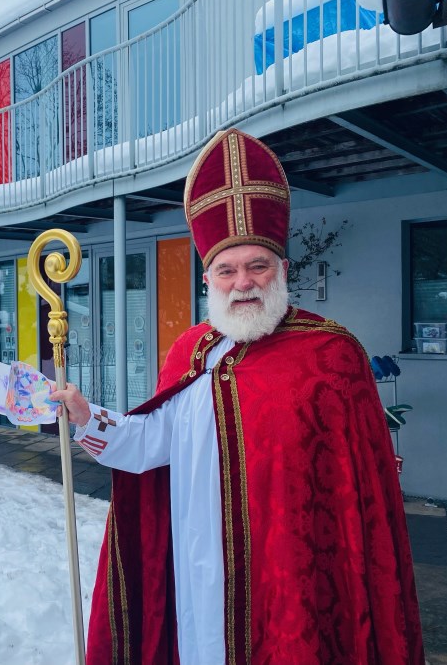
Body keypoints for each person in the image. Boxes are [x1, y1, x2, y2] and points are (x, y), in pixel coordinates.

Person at [51, 129, 424, 665]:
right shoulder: (190, 351)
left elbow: (358, 500)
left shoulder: (331, 356)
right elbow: (154, 443)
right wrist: (89, 419)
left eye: (258, 266)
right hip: (199, 567)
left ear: (283, 271)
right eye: (227, 269)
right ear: (208, 279)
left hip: (296, 578)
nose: (242, 282)